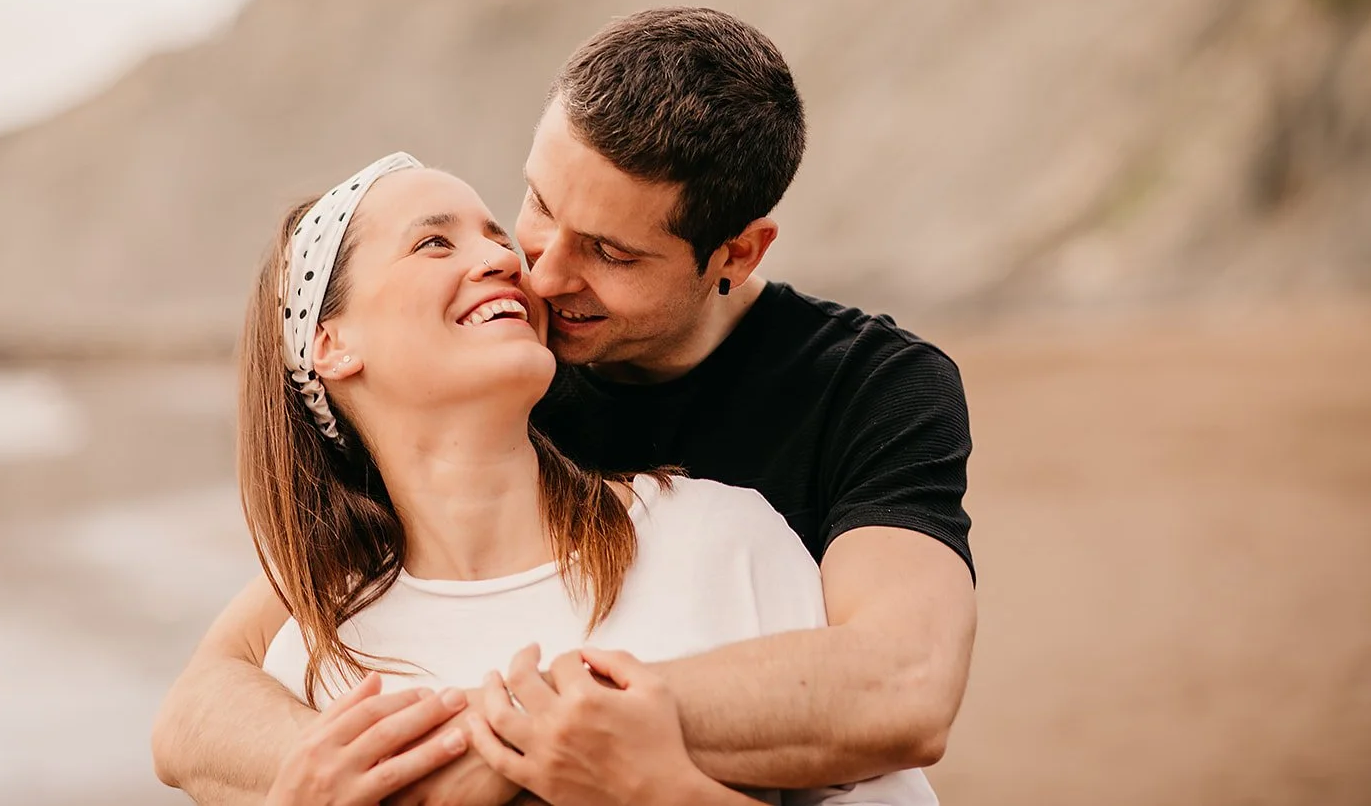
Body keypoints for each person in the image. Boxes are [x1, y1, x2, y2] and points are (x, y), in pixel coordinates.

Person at [152, 8, 977, 805]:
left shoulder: (856, 402)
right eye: (540, 206)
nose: (536, 276)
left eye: (611, 253)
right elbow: (201, 703)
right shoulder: (488, 391)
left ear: (737, 251)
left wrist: (532, 739)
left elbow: (899, 683)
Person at [232, 151, 934, 805]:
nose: (507, 260)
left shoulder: (719, 539)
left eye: (497, 235)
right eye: (434, 243)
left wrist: (663, 791)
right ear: (332, 344)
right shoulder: (311, 663)